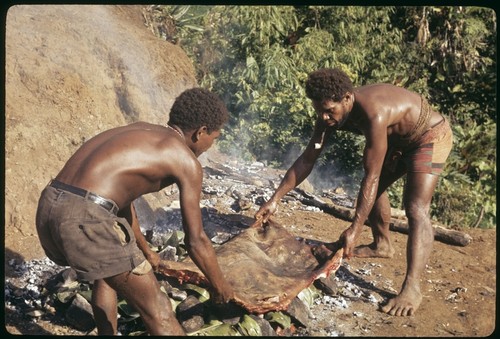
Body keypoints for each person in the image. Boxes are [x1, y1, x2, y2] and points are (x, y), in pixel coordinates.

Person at [36, 88, 235, 335]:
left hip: (50, 206)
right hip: (85, 217)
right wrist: (219, 286)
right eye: (214, 138)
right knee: (159, 309)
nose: (211, 145)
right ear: (201, 132)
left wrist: (145, 249)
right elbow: (196, 241)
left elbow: (121, 201)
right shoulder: (185, 160)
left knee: (108, 271)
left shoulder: (141, 131)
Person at [255, 68, 453, 317]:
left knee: (416, 208)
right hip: (399, 141)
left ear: (347, 99)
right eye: (320, 111)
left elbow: (372, 175)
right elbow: (308, 158)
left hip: (429, 137)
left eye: (330, 110)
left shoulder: (374, 112)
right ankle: (382, 245)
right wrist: (275, 199)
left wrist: (354, 229)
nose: (325, 117)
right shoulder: (327, 118)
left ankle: (412, 287)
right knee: (373, 190)